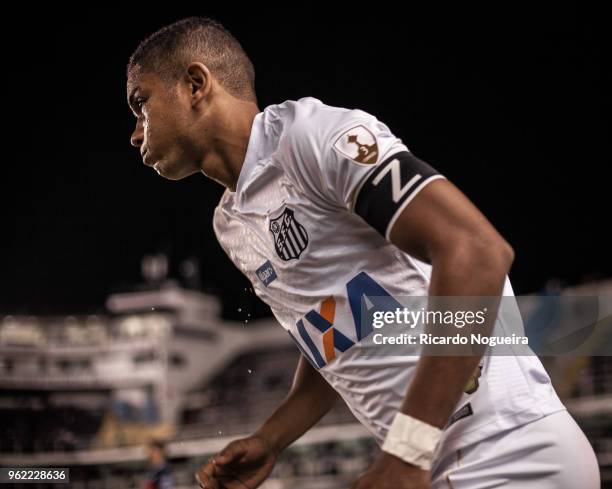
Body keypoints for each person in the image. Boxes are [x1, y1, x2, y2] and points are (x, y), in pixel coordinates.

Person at [126, 17, 600, 489]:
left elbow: (477, 253)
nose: (135, 133)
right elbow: (338, 333)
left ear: (195, 84)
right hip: (439, 465)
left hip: (510, 451)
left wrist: (408, 449)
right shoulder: (231, 225)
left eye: (140, 103)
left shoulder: (310, 138)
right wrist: (272, 439)